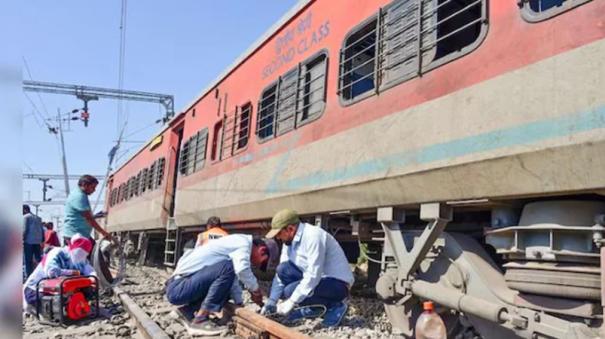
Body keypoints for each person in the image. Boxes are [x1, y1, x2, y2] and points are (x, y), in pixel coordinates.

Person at [261, 209, 354, 327]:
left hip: (337, 284)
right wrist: (272, 302)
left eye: (279, 234)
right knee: (283, 269)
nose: (278, 238)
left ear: (290, 229)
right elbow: (280, 275)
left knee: (290, 291)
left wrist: (292, 301)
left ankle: (335, 306)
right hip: (319, 281)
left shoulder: (313, 236)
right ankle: (316, 307)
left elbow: (313, 274)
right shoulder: (288, 242)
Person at [165, 234, 271, 336]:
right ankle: (200, 321)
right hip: (178, 287)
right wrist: (256, 291)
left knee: (226, 283)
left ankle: (186, 311)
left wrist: (239, 303)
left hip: (181, 286)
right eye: (261, 263)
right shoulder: (243, 243)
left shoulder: (235, 245)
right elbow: (242, 269)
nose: (256, 265)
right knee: (228, 268)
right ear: (262, 250)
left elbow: (231, 280)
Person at [23, 234, 96, 311]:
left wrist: (93, 277)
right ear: (73, 248)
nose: (81, 256)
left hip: (59, 289)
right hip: (36, 288)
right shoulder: (57, 253)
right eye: (80, 252)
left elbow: (89, 270)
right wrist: (73, 273)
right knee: (53, 303)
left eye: (84, 254)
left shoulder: (81, 260)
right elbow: (51, 272)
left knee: (87, 289)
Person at [62, 175, 113, 245]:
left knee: (95, 253)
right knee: (89, 254)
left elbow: (84, 216)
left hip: (80, 234)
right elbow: (89, 218)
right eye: (93, 187)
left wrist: (95, 216)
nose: (94, 190)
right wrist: (103, 232)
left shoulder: (79, 194)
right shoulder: (79, 196)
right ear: (84, 185)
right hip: (75, 236)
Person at [23, 205, 44, 278]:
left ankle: (29, 276)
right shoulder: (38, 218)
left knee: (28, 260)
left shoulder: (26, 217)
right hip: (37, 241)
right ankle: (41, 274)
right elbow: (42, 230)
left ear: (25, 210)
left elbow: (24, 229)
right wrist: (42, 240)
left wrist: (22, 239)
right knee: (38, 259)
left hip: (28, 242)